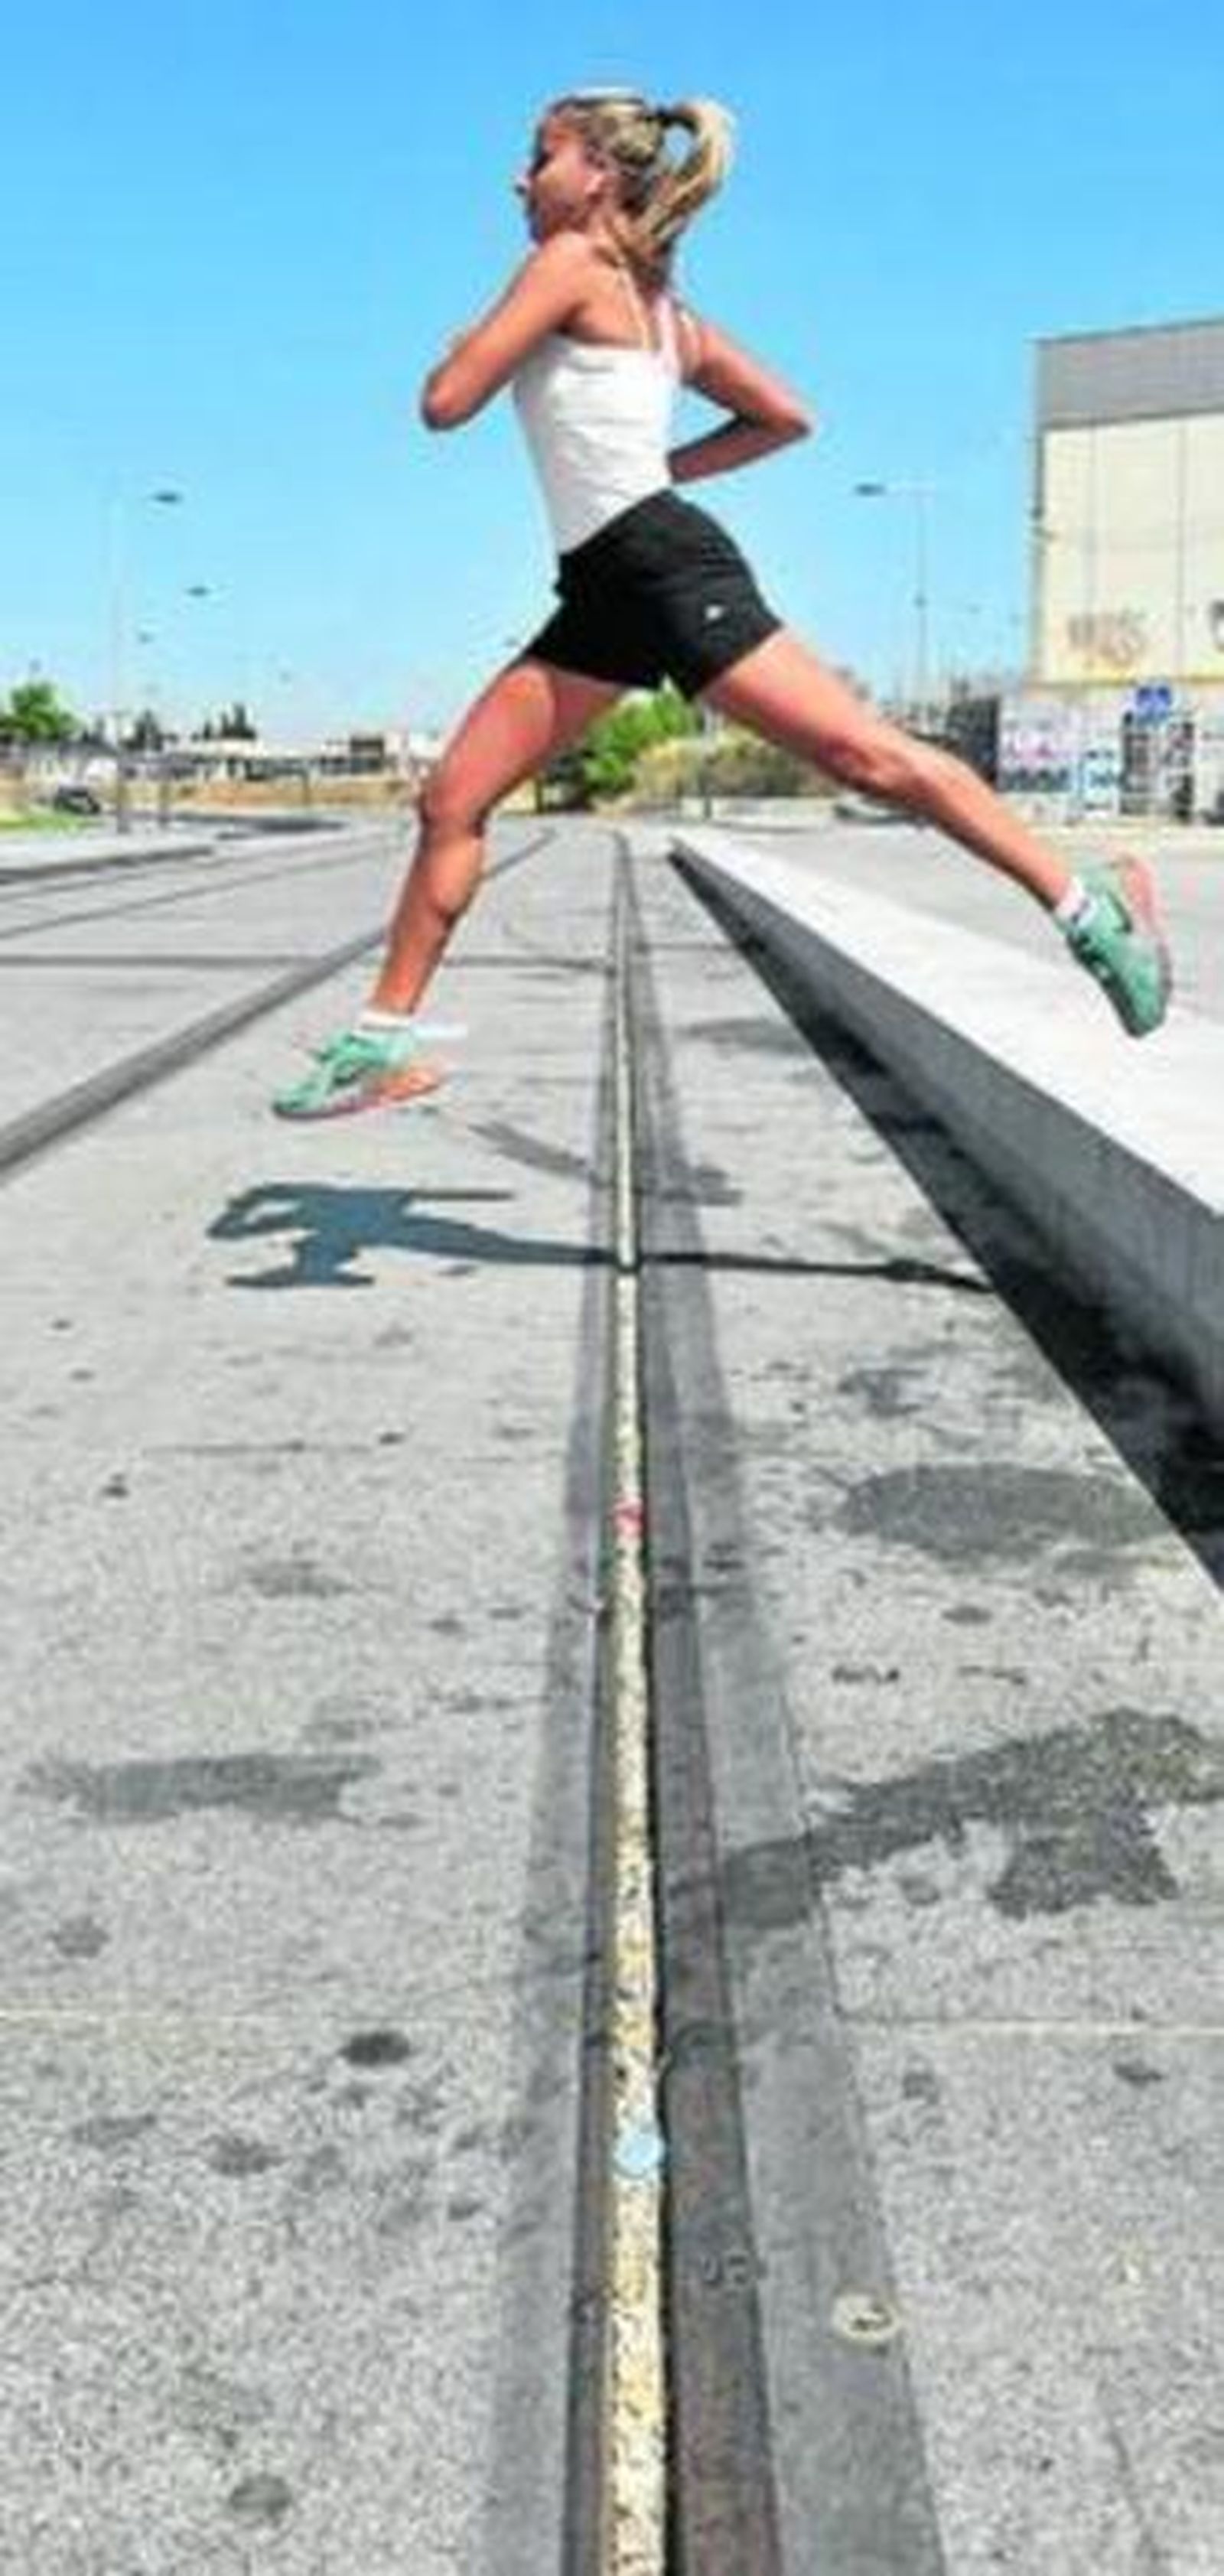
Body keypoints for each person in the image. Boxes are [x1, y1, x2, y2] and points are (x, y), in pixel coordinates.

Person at [274, 87, 1171, 1120]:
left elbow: (444, 404)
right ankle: (379, 1043)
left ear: (597, 178)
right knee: (451, 800)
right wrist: (658, 463)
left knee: (866, 757)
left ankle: (1085, 904)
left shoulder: (571, 264)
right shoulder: (669, 317)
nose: (521, 180)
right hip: (607, 588)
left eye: (541, 158)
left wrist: (485, 356)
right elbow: (781, 418)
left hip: (662, 571)